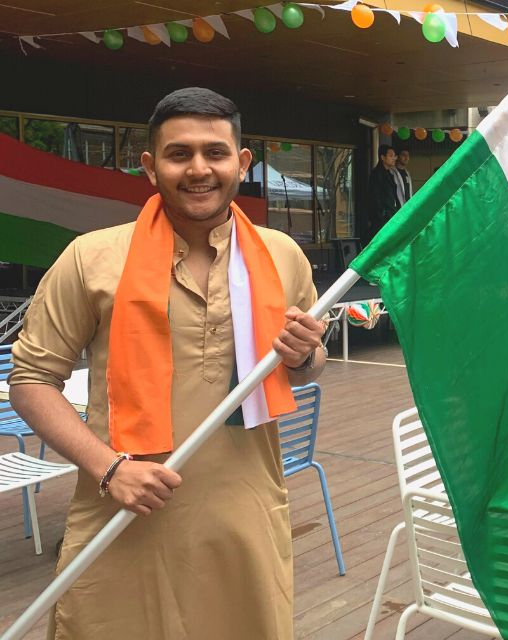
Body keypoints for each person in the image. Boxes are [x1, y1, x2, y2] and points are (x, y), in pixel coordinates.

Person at [9, 87, 327, 640]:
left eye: (215, 152)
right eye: (179, 154)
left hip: (244, 518)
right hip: (122, 516)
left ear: (241, 163)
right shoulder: (92, 257)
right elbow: (31, 381)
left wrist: (306, 356)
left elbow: (306, 366)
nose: (199, 169)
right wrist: (110, 469)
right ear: (150, 166)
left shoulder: (282, 256)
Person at [365, 144, 402, 241]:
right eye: (391, 155)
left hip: (390, 214)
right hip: (382, 218)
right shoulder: (377, 174)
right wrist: (382, 213)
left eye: (394, 156)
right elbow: (374, 197)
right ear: (383, 157)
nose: (394, 158)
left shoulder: (389, 173)